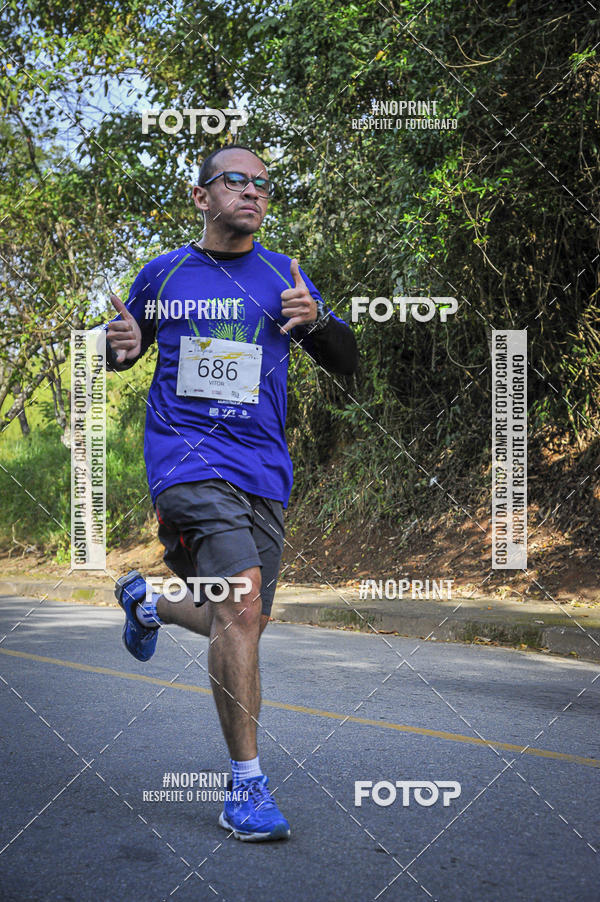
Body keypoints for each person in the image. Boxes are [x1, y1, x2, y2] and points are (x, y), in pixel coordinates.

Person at [104, 144, 358, 842]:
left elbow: (348, 364)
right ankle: (245, 788)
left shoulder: (284, 277)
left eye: (263, 186)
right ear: (201, 195)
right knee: (241, 601)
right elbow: (115, 347)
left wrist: (321, 325)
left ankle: (149, 601)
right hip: (186, 461)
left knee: (240, 622)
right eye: (236, 181)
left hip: (264, 471)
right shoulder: (165, 274)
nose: (252, 193)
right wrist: (114, 345)